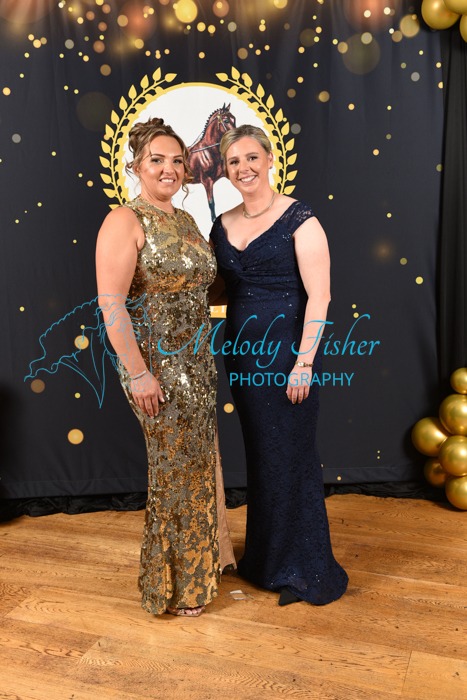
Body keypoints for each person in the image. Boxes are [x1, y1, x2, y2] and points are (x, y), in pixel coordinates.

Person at [95, 117, 234, 617]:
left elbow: (205, 286)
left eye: (177, 160)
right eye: (157, 160)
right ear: (136, 166)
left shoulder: (187, 220)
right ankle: (172, 586)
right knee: (174, 471)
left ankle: (200, 572)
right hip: (153, 365)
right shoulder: (124, 220)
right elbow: (111, 304)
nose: (169, 169)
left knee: (196, 467)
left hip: (197, 365)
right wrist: (138, 373)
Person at [210, 124, 348, 606]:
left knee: (292, 454)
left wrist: (304, 362)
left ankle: (305, 566)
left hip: (290, 354)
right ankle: (267, 560)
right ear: (225, 171)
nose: (243, 168)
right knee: (263, 455)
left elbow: (320, 296)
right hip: (243, 355)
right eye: (233, 162)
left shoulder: (300, 219)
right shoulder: (221, 223)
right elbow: (217, 287)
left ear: (270, 159)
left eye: (252, 157)